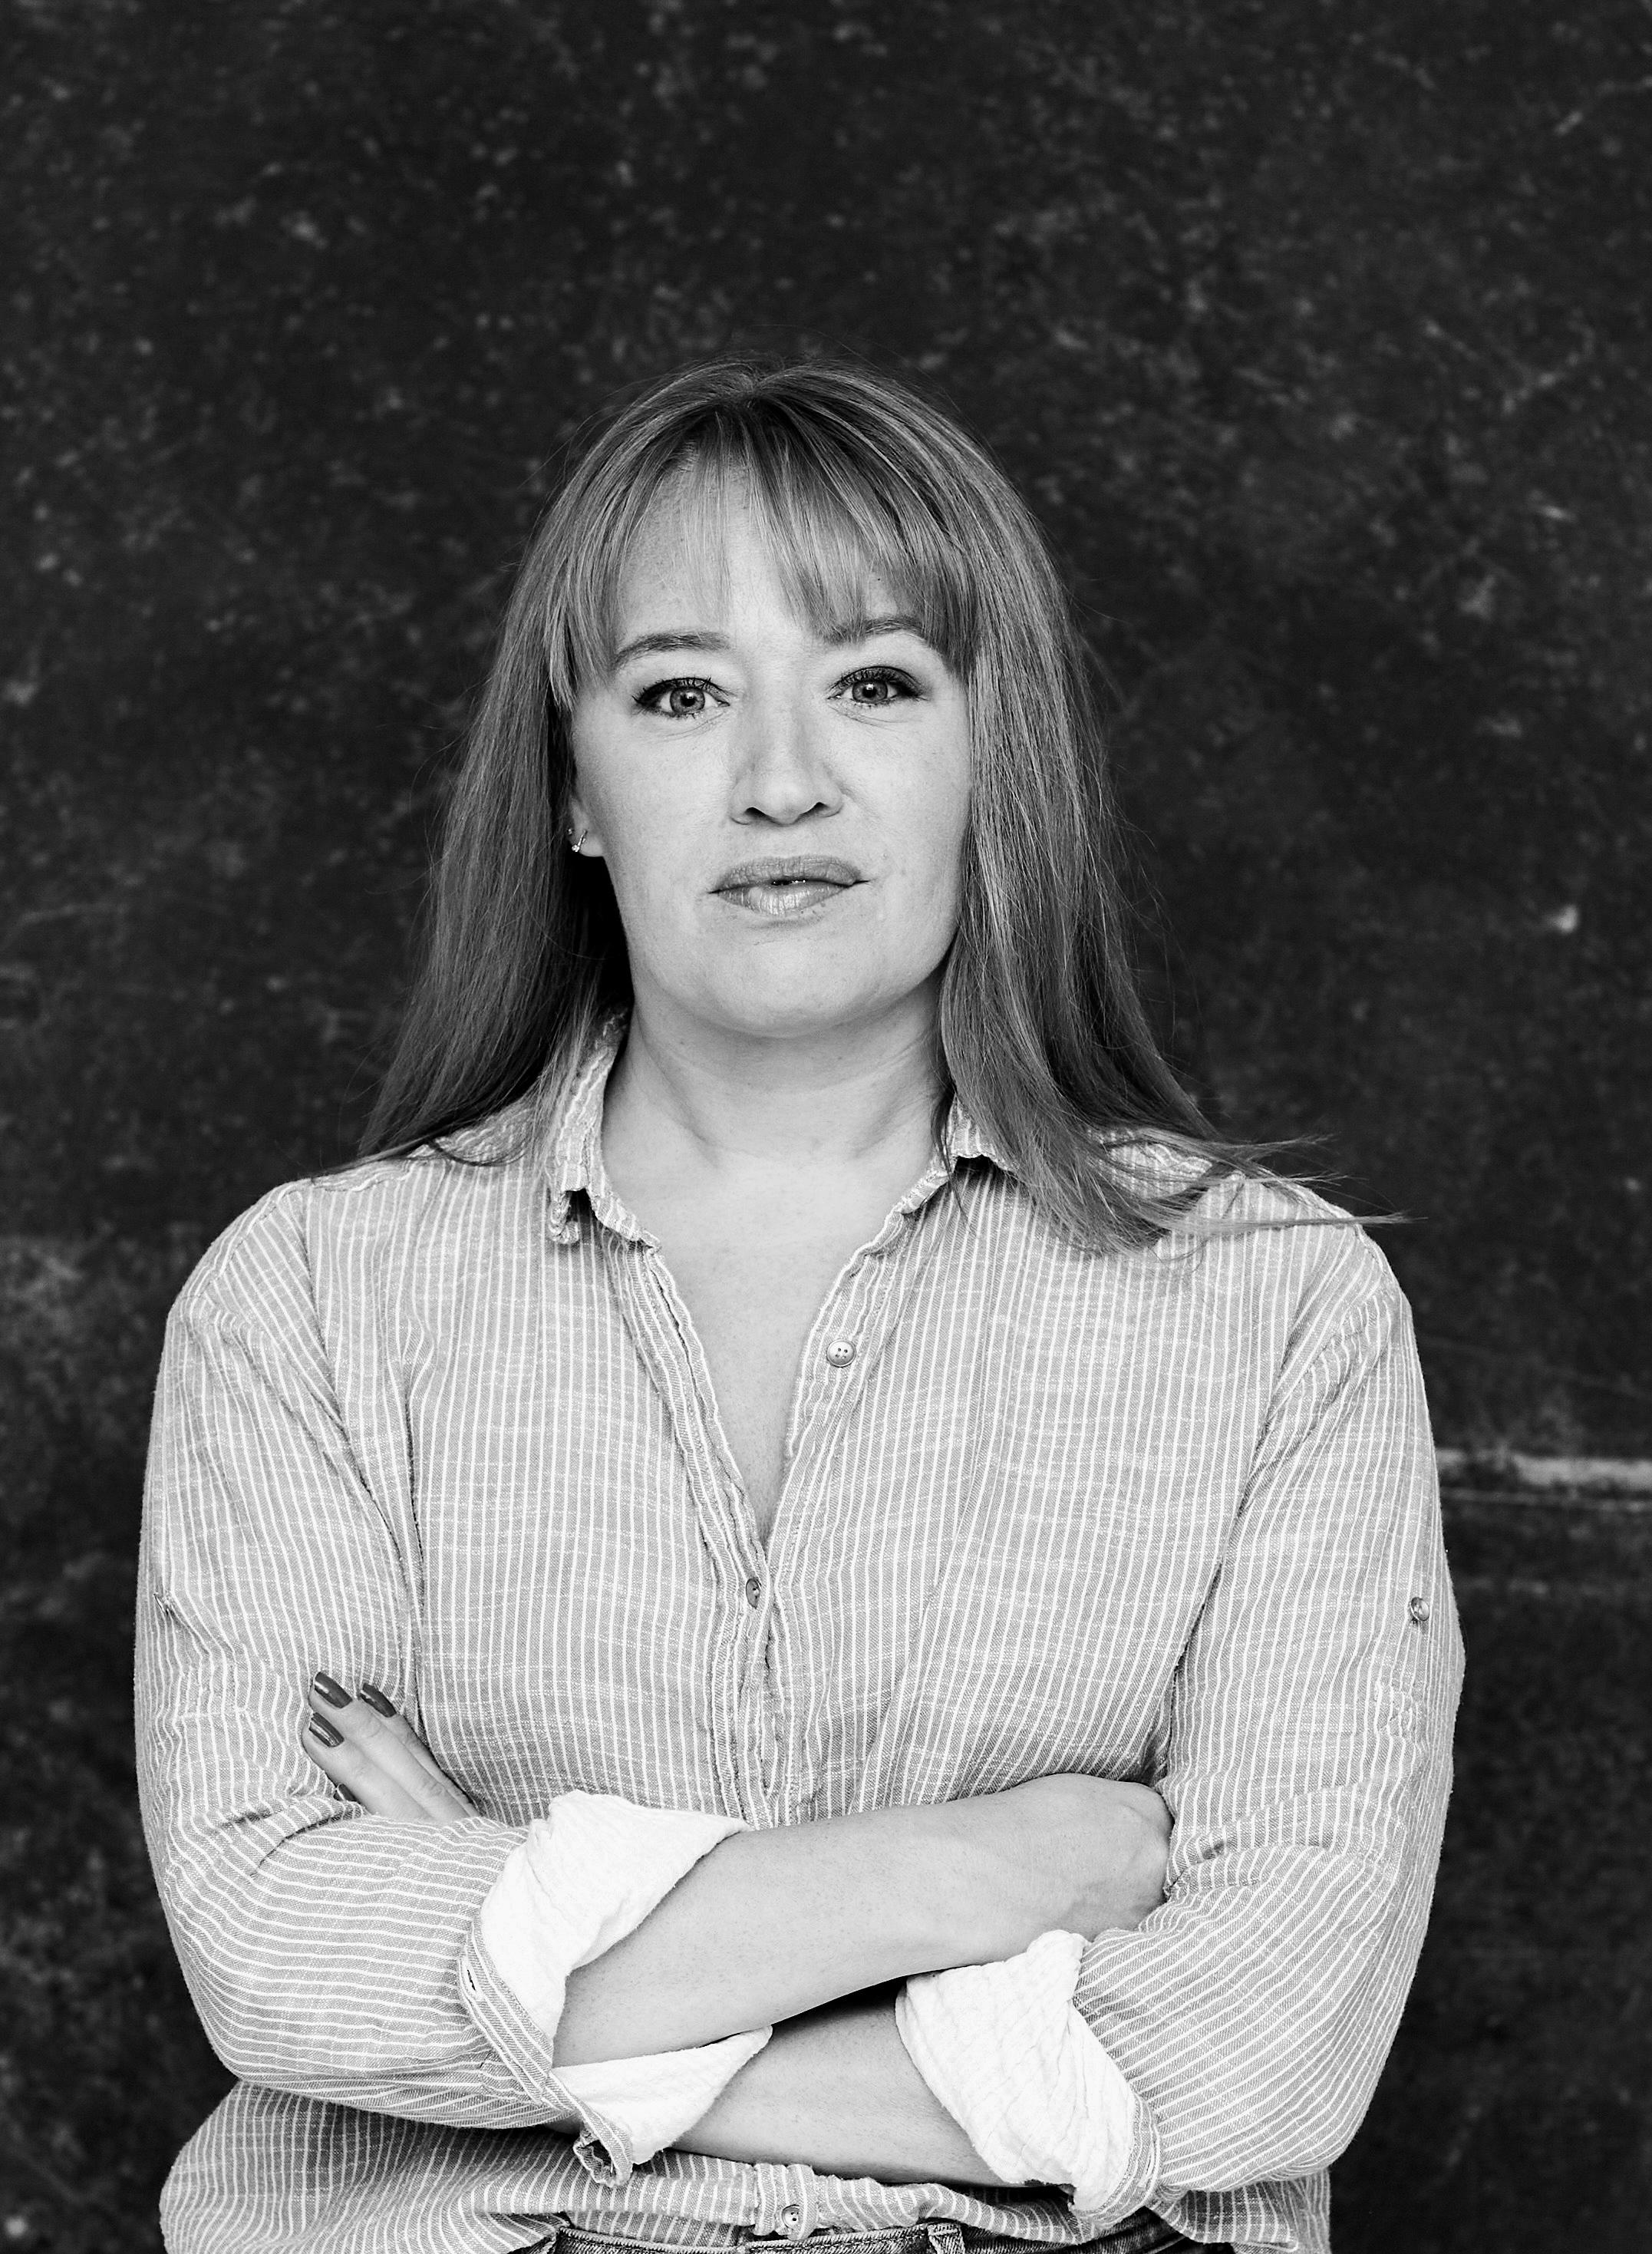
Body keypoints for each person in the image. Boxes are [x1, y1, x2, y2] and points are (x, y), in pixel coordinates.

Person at [136, 357, 1462, 2254]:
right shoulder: (311, 1301)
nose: (780, 778)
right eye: (681, 693)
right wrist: (988, 1873)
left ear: (986, 757)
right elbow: (280, 1956)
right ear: (575, 787)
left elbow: (1261, 2034)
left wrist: (543, 1963)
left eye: (874, 681)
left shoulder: (1277, 1311)